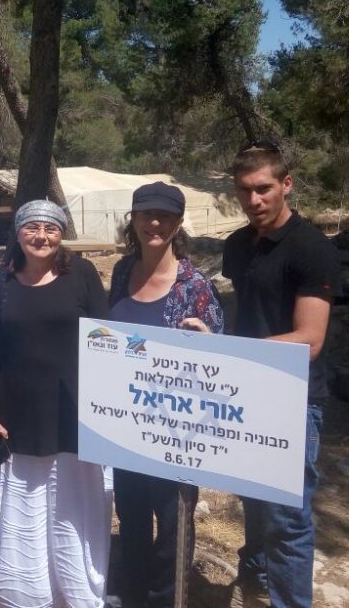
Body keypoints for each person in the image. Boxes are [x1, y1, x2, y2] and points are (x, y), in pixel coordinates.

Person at [0, 199, 112, 608]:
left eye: (51, 228)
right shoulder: (3, 280)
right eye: (32, 227)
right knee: (24, 504)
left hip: (74, 414)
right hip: (16, 416)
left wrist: (107, 411)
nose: (42, 236)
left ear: (62, 233)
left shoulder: (82, 274)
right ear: (18, 233)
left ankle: (75, 592)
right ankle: (25, 591)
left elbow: (107, 340)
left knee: (73, 505)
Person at [222, 144, 340, 608]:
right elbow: (244, 311)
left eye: (263, 189)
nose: (254, 200)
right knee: (252, 500)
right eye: (244, 191)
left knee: (288, 518)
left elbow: (310, 340)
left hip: (294, 399)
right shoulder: (236, 245)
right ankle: (255, 585)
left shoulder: (311, 249)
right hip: (245, 392)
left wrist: (234, 353)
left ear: (286, 185)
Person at [106, 182, 223, 608]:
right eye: (145, 215)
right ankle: (133, 592)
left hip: (177, 431)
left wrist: (209, 340)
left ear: (177, 224)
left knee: (173, 522)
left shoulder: (195, 286)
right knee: (132, 516)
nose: (154, 223)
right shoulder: (121, 272)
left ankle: (165, 598)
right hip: (128, 425)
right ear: (132, 220)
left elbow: (221, 360)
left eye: (165, 216)